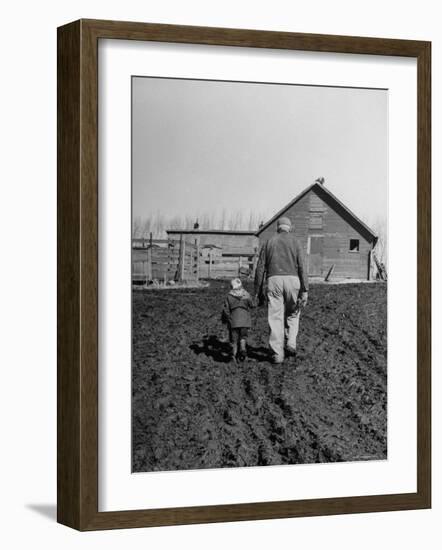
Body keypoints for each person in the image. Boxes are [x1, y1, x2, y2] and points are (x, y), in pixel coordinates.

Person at [254, 217, 309, 363]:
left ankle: (277, 354)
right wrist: (305, 289)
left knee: (276, 317)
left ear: (278, 228)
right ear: (289, 228)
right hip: (293, 280)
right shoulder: (296, 242)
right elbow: (303, 267)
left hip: (274, 280)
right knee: (293, 313)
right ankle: (291, 342)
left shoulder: (269, 242)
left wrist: (258, 290)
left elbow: (260, 268)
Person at [221, 278, 254, 361]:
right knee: (243, 337)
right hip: (245, 321)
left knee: (234, 340)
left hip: (234, 321)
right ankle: (243, 350)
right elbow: (252, 304)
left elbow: (226, 309)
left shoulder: (229, 296)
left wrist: (227, 318)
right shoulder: (246, 295)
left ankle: (233, 356)